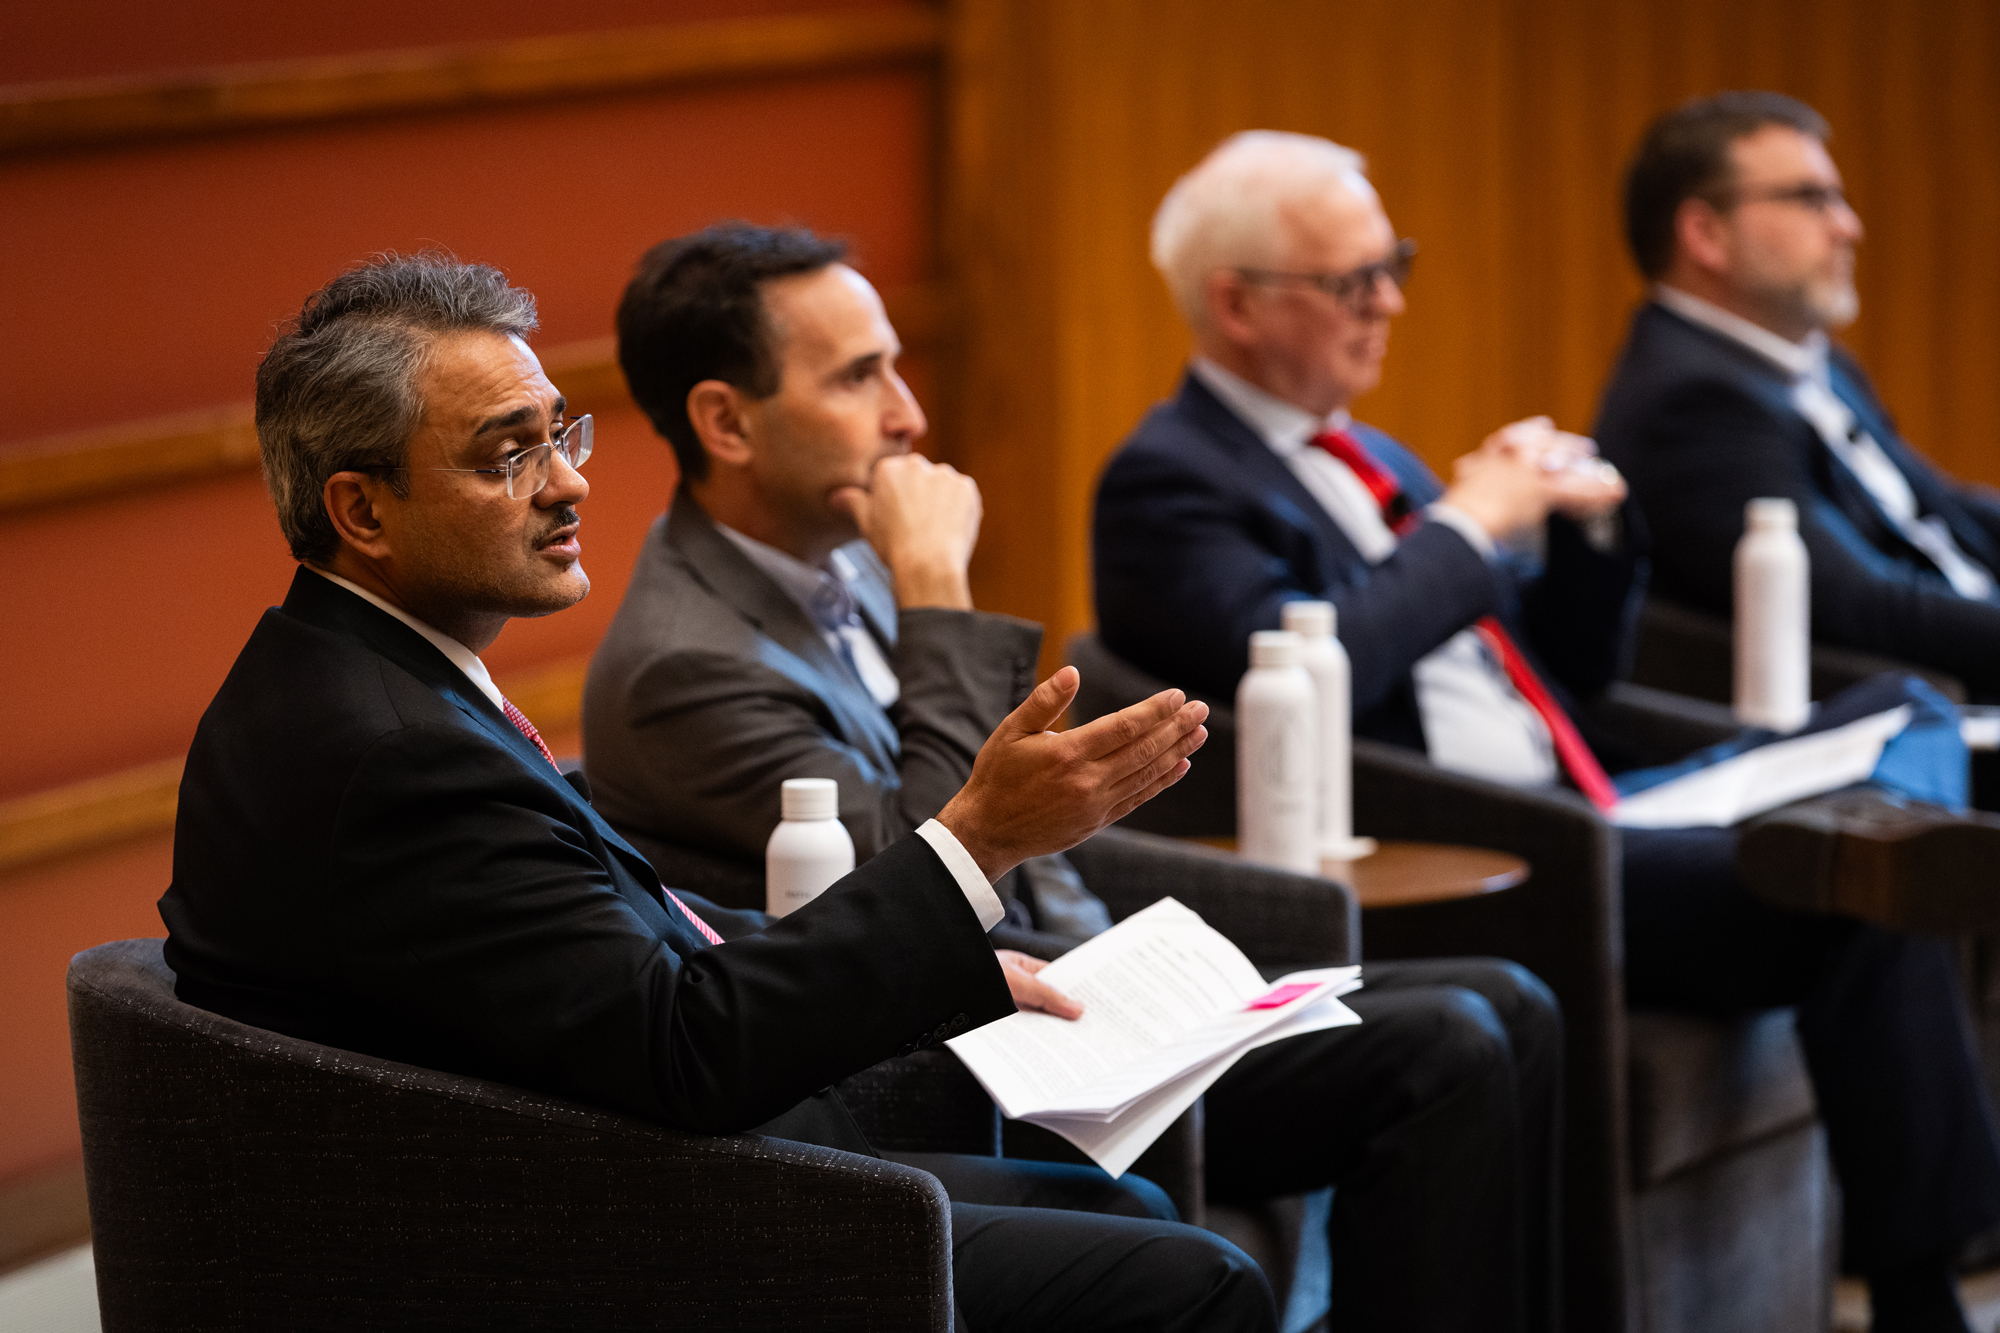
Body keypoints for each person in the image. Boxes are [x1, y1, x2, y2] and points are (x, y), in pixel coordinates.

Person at [157, 252, 1280, 1333]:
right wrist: (972, 841)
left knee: (1118, 1205)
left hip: (579, 1163)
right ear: (362, 512)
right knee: (1192, 1278)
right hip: (586, 1238)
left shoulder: (356, 672)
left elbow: (612, 944)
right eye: (509, 455)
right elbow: (684, 1046)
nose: (569, 481)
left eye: (560, 433)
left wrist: (945, 959)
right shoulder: (390, 750)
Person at [1092, 129, 2000, 1333]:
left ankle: (1916, 1264)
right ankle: (1921, 1291)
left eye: (1392, 263)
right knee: (1855, 878)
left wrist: (1584, 534)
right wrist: (1465, 529)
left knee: (1897, 715)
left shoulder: (1368, 455)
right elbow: (1308, 681)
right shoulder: (1166, 482)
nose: (1390, 303)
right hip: (1501, 850)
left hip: (1593, 786)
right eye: (1352, 280)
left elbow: (1551, 677)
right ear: (1236, 304)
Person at [590, 221, 1565, 1333]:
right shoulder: (685, 662)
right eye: (859, 378)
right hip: (963, 1044)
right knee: (1447, 1045)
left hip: (1073, 974)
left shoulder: (833, 556)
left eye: (894, 366)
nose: (907, 414)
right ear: (725, 420)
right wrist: (936, 590)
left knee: (1510, 999)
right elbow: (929, 878)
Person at [1596, 91, 2000, 713]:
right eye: (1812, 199)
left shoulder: (1811, 363)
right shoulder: (1692, 403)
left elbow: (1936, 510)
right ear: (1706, 234)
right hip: (1925, 719)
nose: (1848, 226)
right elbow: (1863, 603)